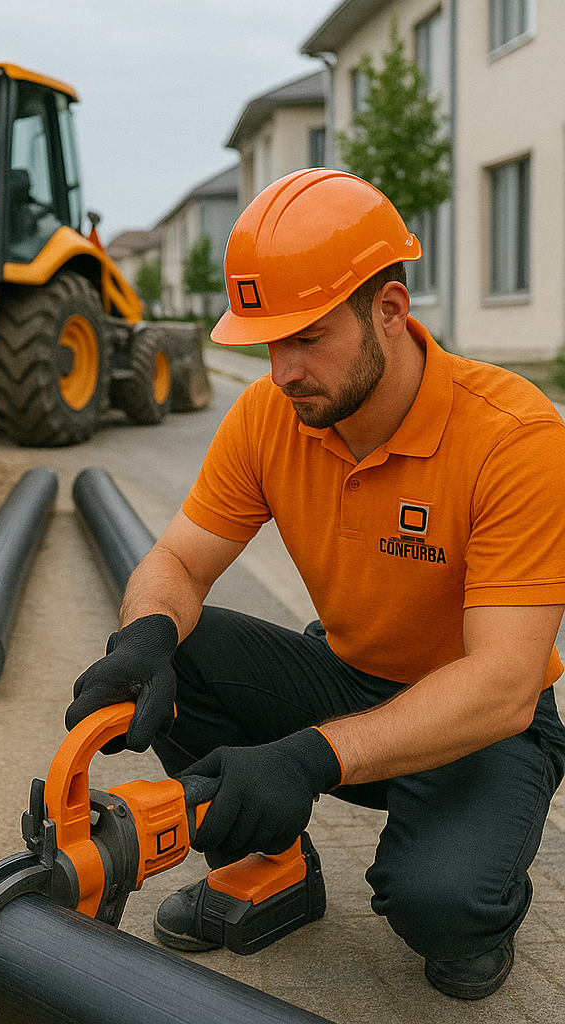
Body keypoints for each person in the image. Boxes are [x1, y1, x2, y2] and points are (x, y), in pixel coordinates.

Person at [66, 168, 565, 1000]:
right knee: (181, 646)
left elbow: (506, 684)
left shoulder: (515, 438)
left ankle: (478, 890)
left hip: (483, 723)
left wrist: (310, 756)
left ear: (391, 311)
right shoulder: (273, 414)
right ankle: (273, 868)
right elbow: (178, 563)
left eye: (309, 336)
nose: (285, 369)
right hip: (343, 675)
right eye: (269, 340)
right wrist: (143, 636)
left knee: (442, 910)